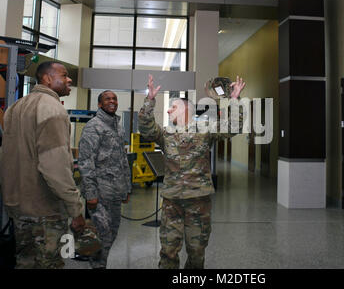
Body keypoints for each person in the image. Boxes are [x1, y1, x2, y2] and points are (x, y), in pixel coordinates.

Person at [138, 75, 245, 269]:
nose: (169, 110)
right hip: (172, 203)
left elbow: (233, 127)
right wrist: (149, 101)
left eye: (173, 107)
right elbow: (146, 129)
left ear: (186, 109)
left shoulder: (205, 130)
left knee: (197, 253)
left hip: (198, 201)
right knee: (168, 252)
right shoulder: (165, 134)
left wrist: (235, 99)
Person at [0, 61, 85, 269]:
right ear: (47, 79)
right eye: (64, 75)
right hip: (45, 210)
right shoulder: (53, 110)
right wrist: (75, 208)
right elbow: (55, 166)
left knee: (24, 261)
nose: (69, 79)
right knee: (50, 263)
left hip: (18, 206)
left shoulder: (14, 108)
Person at [78, 90, 131, 269]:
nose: (112, 101)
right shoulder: (94, 126)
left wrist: (127, 188)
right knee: (101, 234)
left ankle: (100, 263)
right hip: (99, 193)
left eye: (114, 98)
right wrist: (91, 194)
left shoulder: (117, 125)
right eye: (107, 99)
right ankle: (98, 266)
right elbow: (85, 162)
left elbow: (123, 160)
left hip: (115, 192)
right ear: (99, 104)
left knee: (112, 233)